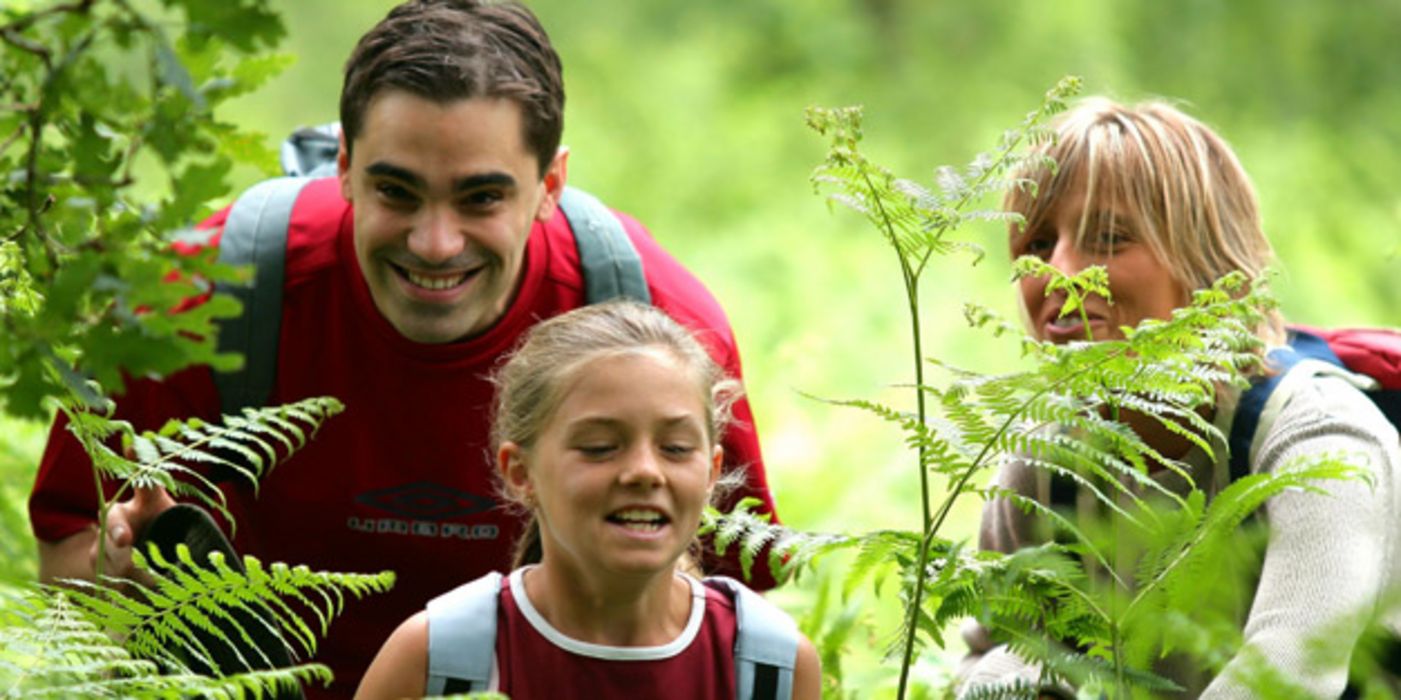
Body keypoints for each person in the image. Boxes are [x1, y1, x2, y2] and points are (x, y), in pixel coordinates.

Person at [27, 1, 781, 696]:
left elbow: (727, 607)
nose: (434, 243)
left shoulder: (661, 329)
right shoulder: (198, 301)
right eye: (397, 192)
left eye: (481, 197)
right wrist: (122, 574)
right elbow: (68, 548)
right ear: (345, 165)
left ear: (549, 182)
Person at [958, 98, 1401, 697]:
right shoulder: (1045, 466)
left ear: (1209, 267)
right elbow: (1001, 656)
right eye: (1037, 243)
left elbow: (1286, 678)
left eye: (1108, 239)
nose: (1057, 273)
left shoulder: (1321, 443)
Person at [355, 301, 821, 699]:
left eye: (676, 448)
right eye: (599, 447)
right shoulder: (438, 658)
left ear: (712, 472)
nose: (644, 471)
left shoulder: (768, 668)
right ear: (521, 472)